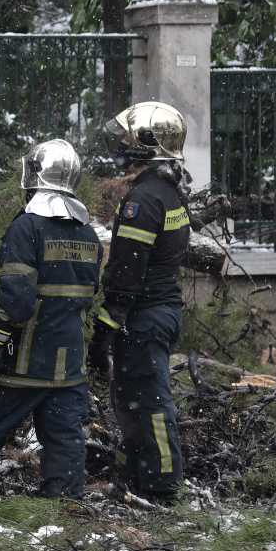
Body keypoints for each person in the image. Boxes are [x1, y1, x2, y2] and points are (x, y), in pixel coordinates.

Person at [0, 139, 101, 505]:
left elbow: (16, 302)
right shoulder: (88, 233)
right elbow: (87, 295)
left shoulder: (27, 228)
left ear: (33, 176)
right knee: (64, 441)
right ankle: (61, 514)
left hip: (23, 362)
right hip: (69, 365)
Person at [89, 102, 190, 504]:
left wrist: (107, 323)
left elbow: (127, 269)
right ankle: (141, 477)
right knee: (136, 399)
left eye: (130, 138)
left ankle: (163, 483)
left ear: (147, 144)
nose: (122, 146)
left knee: (148, 402)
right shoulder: (168, 192)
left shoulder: (143, 200)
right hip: (160, 310)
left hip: (144, 315)